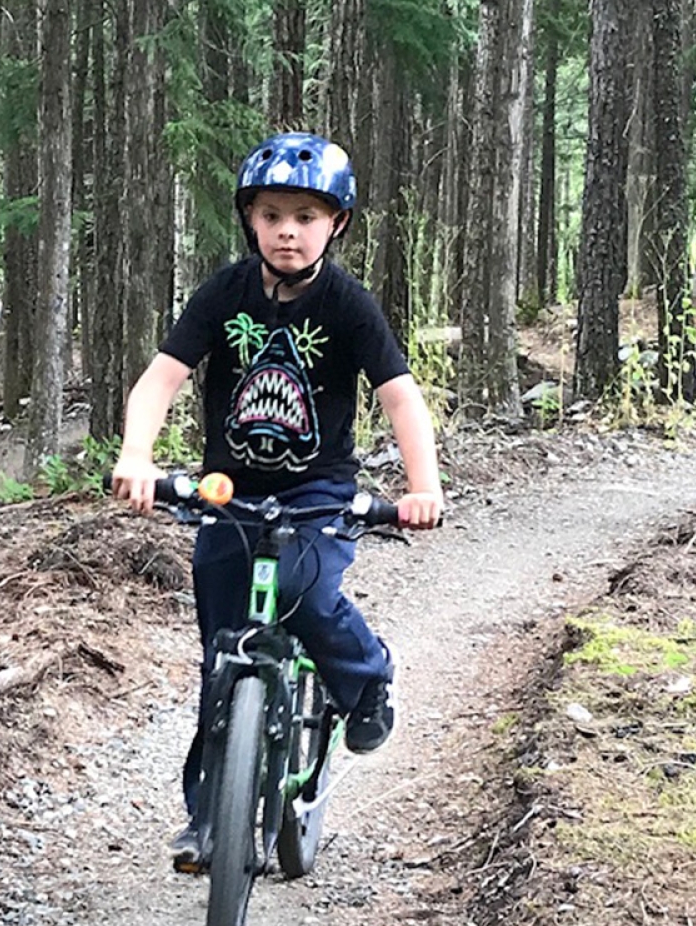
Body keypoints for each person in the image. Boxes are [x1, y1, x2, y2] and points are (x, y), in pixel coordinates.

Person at [108, 132, 445, 869]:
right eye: (270, 215)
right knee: (221, 653)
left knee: (301, 590)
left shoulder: (348, 304)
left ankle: (366, 678)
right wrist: (137, 456)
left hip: (316, 492)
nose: (287, 230)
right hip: (229, 493)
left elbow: (400, 398)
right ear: (250, 221)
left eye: (306, 215)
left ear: (337, 224)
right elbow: (161, 377)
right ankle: (208, 820)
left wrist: (422, 487)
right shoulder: (224, 293)